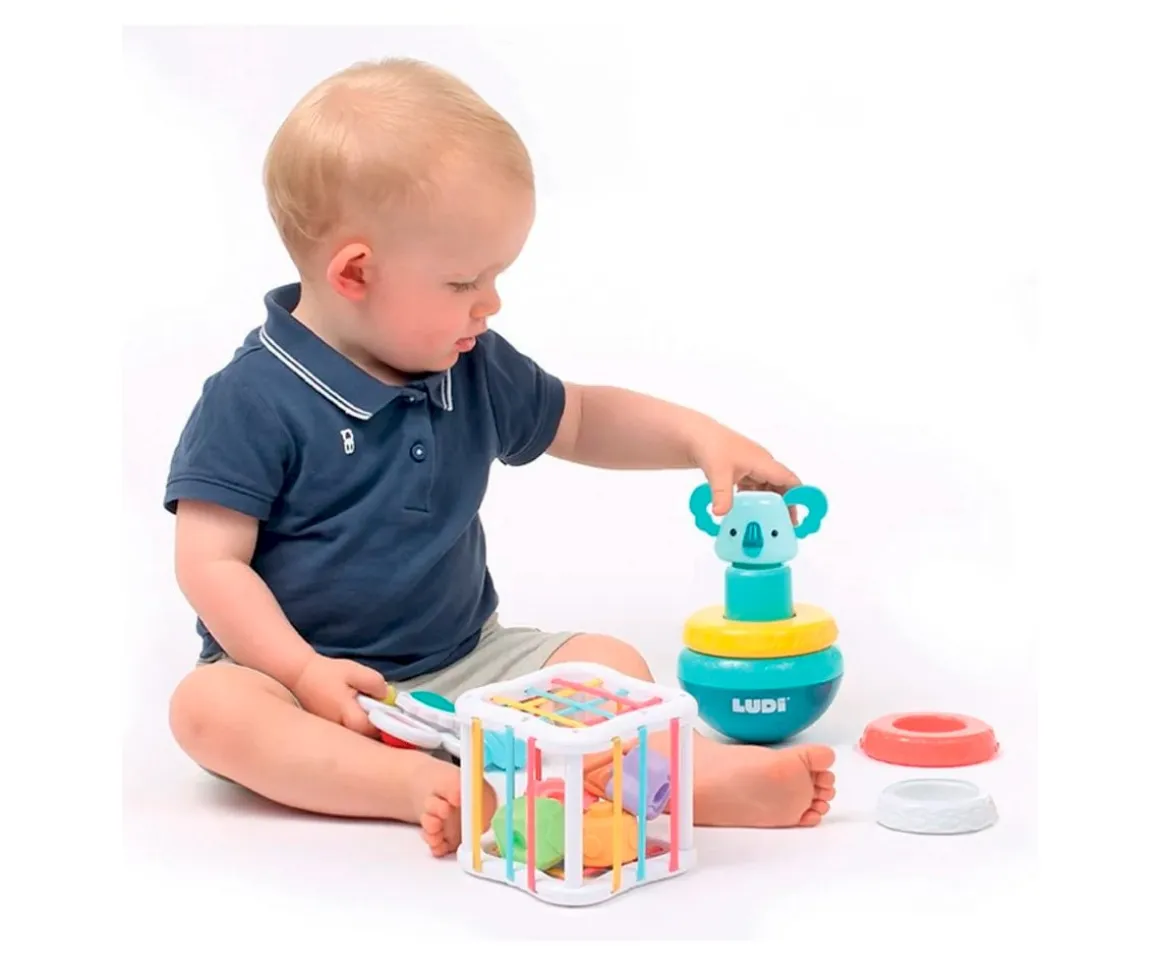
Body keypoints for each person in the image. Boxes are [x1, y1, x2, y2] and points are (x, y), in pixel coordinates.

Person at [165, 57, 836, 859]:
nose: (490, 302)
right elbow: (210, 563)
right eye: (464, 282)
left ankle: (686, 777)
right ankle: (408, 784)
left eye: (496, 277)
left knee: (606, 662)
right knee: (207, 711)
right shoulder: (253, 396)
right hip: (297, 683)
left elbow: (580, 418)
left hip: (467, 663)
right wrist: (304, 671)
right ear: (355, 272)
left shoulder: (468, 363)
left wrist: (699, 438)